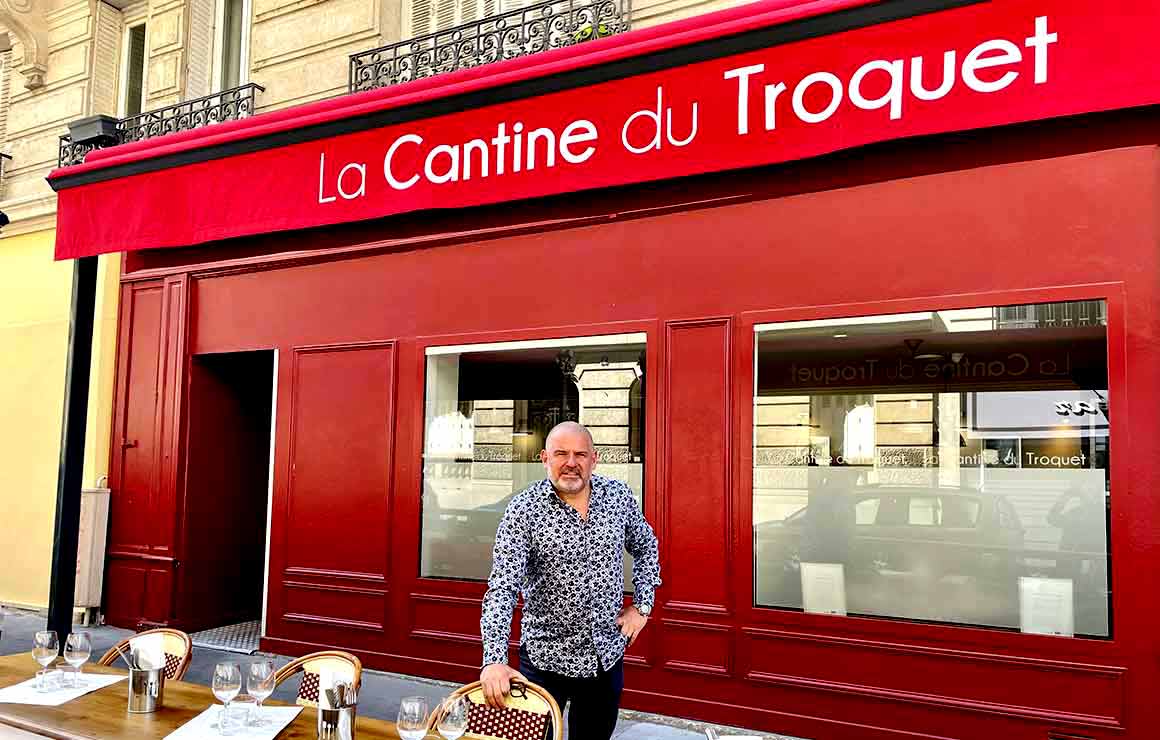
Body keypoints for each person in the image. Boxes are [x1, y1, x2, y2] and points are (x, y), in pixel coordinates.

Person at [479, 421, 661, 740]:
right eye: (561, 453)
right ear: (544, 458)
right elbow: (502, 589)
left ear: (595, 458)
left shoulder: (617, 497)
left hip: (605, 660)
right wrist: (494, 660)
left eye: (580, 454)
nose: (571, 462)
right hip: (543, 663)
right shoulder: (524, 509)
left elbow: (647, 546)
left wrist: (643, 606)